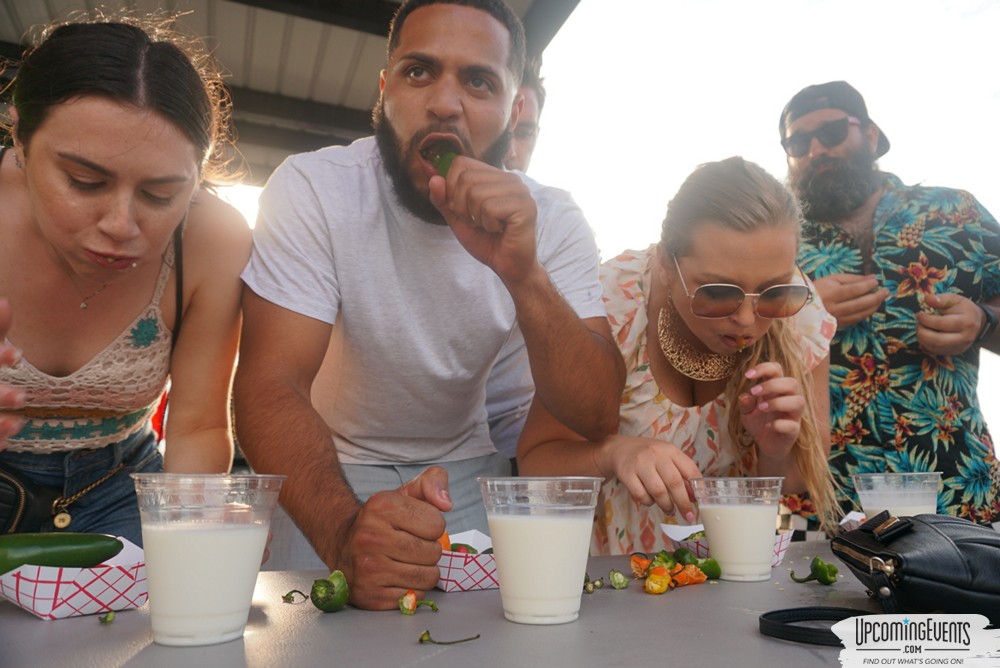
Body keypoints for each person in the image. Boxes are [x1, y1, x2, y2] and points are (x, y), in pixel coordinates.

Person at [234, 0, 625, 610]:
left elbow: (597, 411)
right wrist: (343, 535)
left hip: (474, 473)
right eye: (419, 72)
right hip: (325, 469)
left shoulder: (553, 218)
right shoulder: (313, 187)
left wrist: (524, 276)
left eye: (478, 81)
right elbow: (268, 385)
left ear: (512, 107)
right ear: (384, 90)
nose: (445, 102)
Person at [0, 17, 250, 546]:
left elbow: (198, 425)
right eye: (84, 181)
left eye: (161, 195)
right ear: (19, 135)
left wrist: (194, 529)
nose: (121, 224)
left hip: (122, 491)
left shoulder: (213, 239)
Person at [518, 157, 840, 555]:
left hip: (726, 571)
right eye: (718, 291)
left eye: (772, 292)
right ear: (665, 264)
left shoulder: (800, 314)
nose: (746, 320)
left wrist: (775, 452)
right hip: (607, 583)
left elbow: (792, 480)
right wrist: (612, 453)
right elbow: (534, 465)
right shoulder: (609, 307)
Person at [779, 81, 1000, 526]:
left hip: (958, 492)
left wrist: (984, 320)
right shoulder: (776, 242)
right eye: (798, 142)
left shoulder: (954, 212)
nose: (816, 149)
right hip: (823, 506)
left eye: (833, 132)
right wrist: (804, 312)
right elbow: (728, 348)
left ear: (872, 136)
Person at [487, 57, 547, 468]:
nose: (510, 150)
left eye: (524, 134)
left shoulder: (557, 221)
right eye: (505, 131)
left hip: (520, 451)